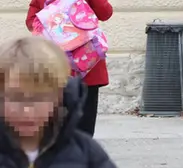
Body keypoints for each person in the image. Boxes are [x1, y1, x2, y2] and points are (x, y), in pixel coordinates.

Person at [26, 0, 113, 137]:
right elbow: (105, 12)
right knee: (84, 116)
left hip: (54, 60)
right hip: (85, 61)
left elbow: (31, 20)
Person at [0, 36, 116, 167]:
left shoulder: (85, 152)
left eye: (39, 98)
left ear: (58, 97)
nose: (27, 111)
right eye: (16, 98)